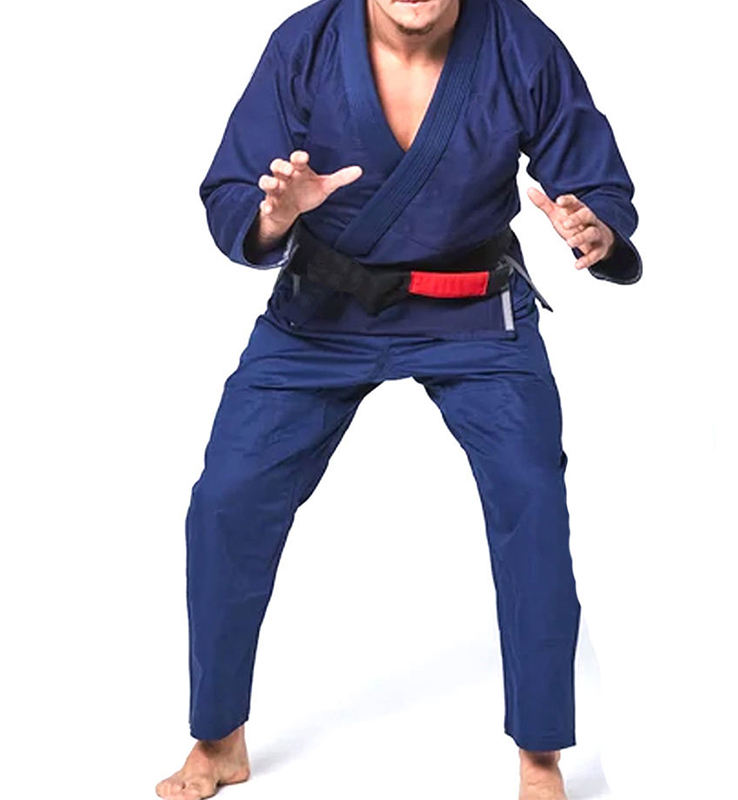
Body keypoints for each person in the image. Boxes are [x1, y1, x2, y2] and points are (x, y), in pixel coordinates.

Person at [156, 0, 642, 797]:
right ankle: (217, 739)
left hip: (474, 311)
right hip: (322, 311)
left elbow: (595, 184)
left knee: (532, 499)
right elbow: (232, 191)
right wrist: (275, 214)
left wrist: (600, 230)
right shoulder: (305, 44)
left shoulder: (518, 42)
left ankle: (541, 754)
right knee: (227, 499)